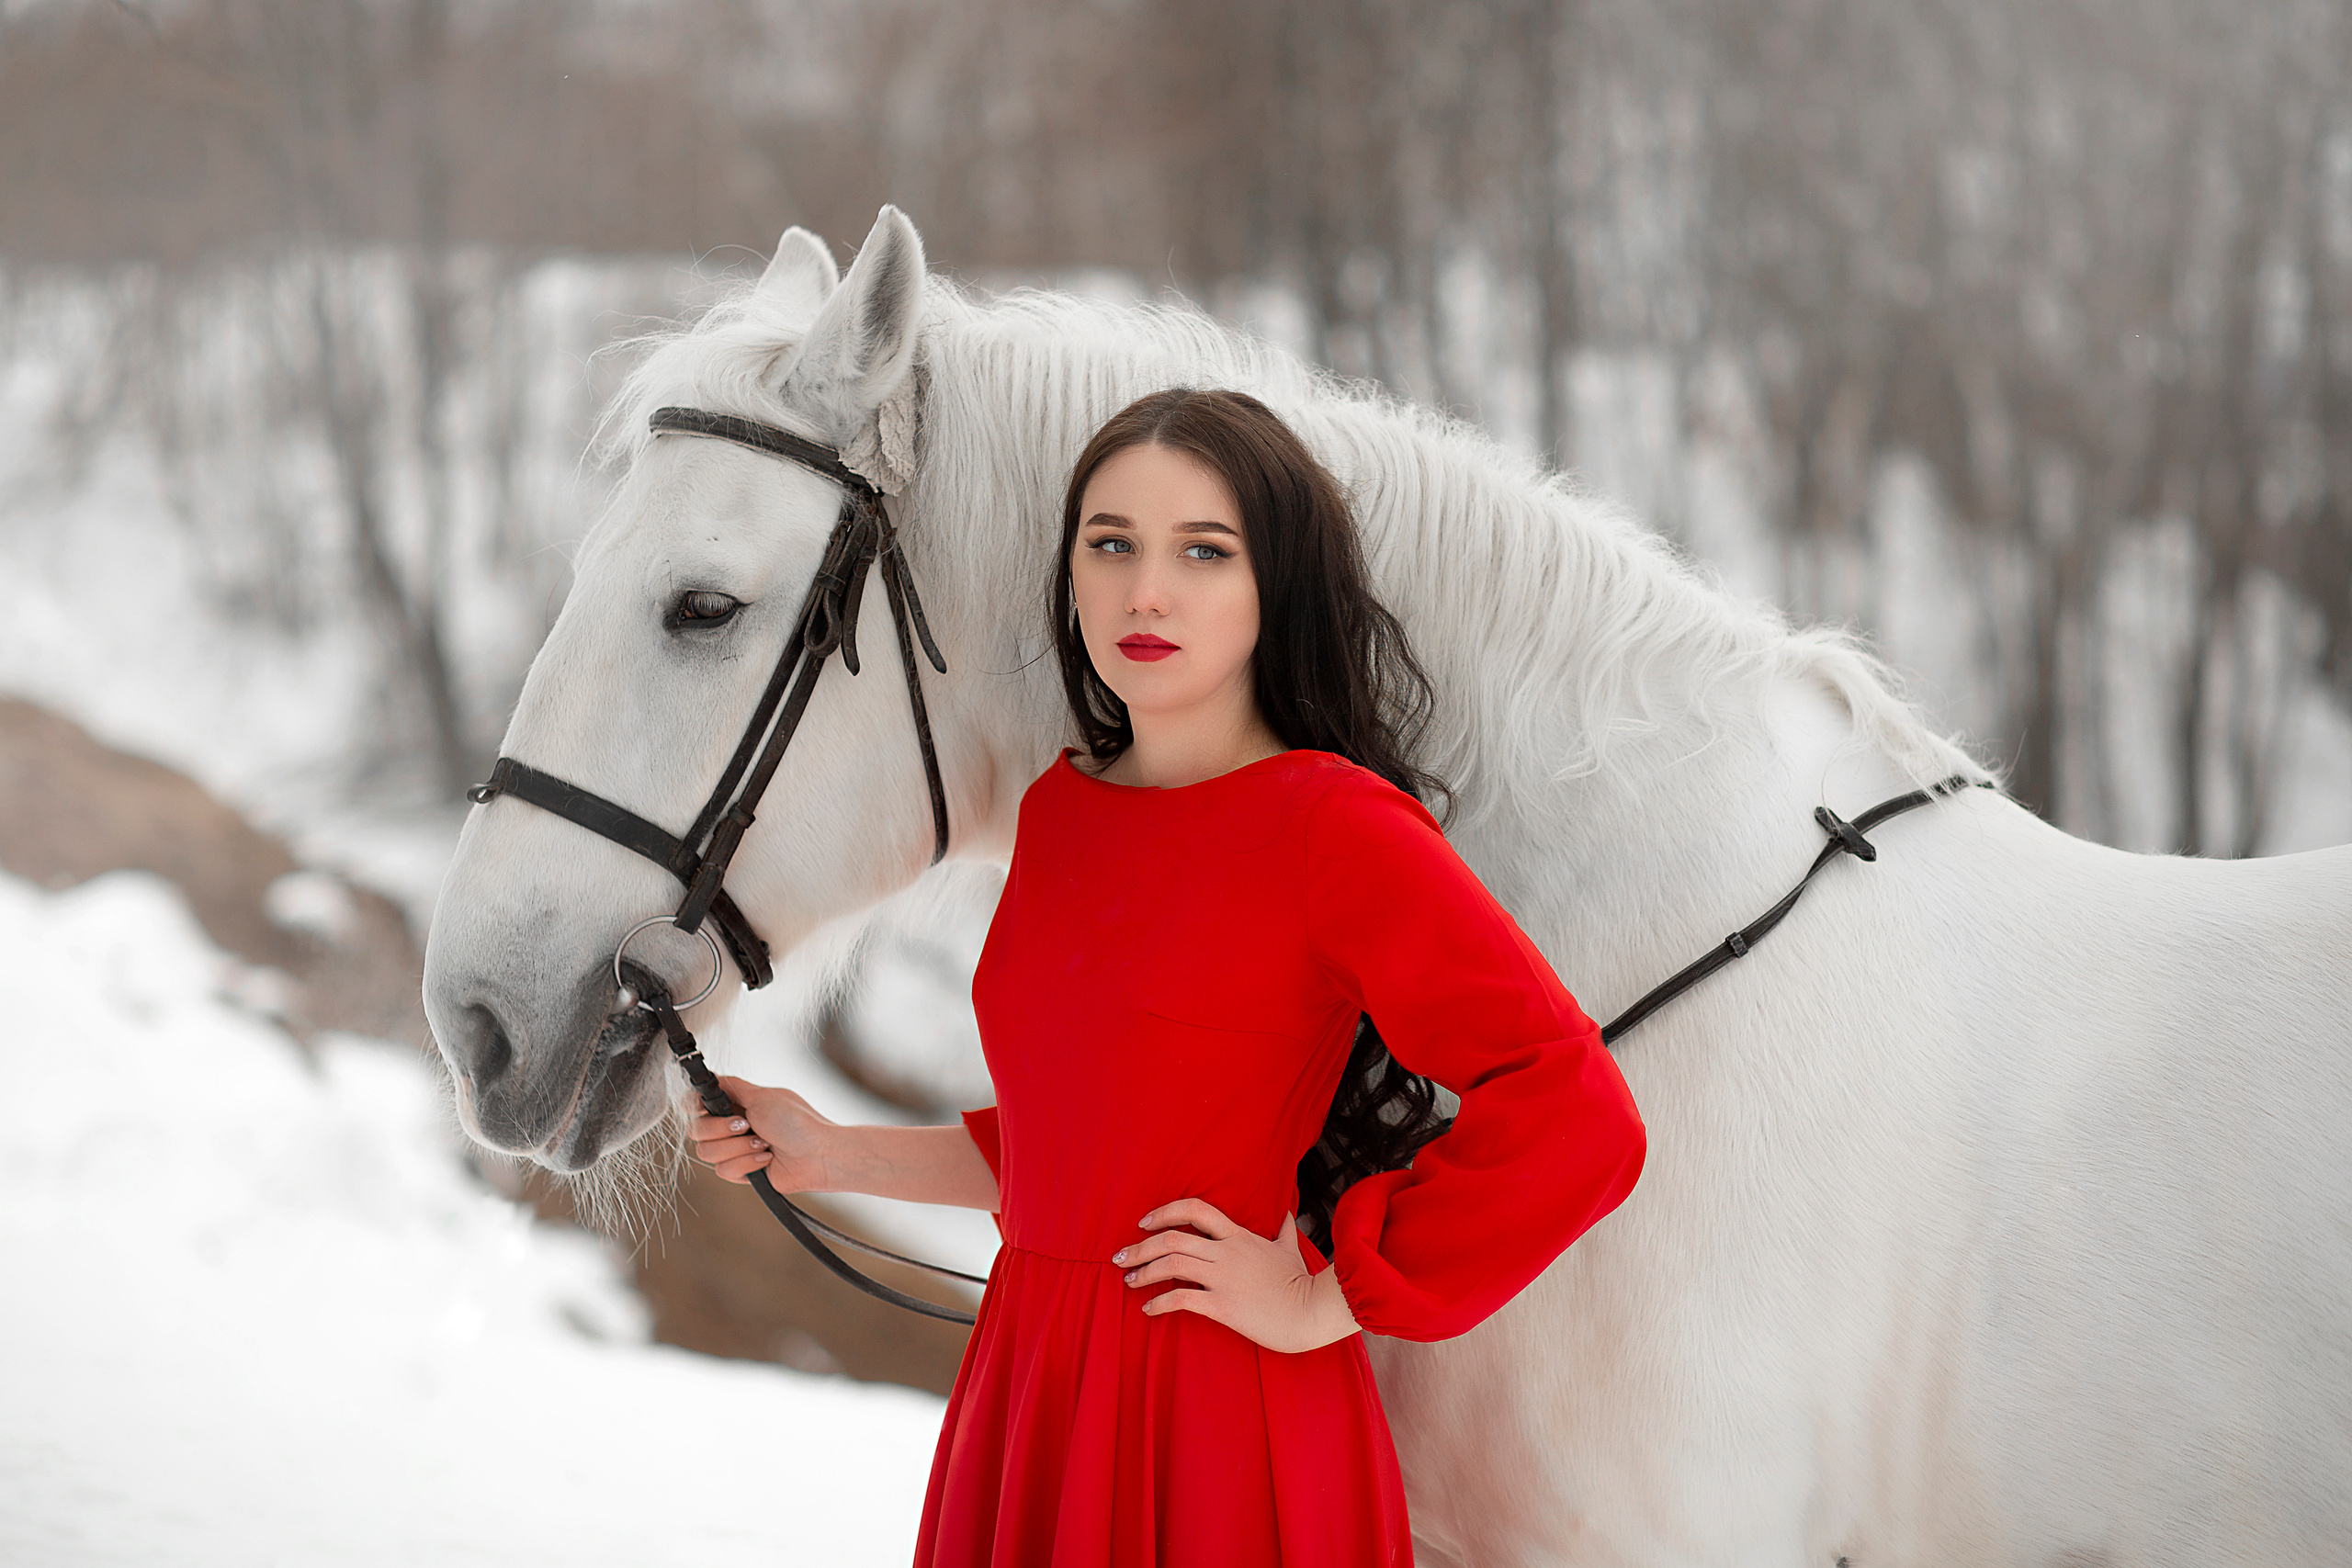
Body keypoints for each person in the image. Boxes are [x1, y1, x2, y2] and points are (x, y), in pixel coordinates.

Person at [685, 388, 1647, 1566]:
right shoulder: (1058, 814)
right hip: (1031, 1392)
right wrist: (831, 1149)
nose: (1147, 590)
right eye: (1112, 545)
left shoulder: (1339, 831)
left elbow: (1577, 1115)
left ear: (1272, 585)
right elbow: (1072, 1155)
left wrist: (1324, 1300)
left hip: (1222, 1413)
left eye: (1203, 550)